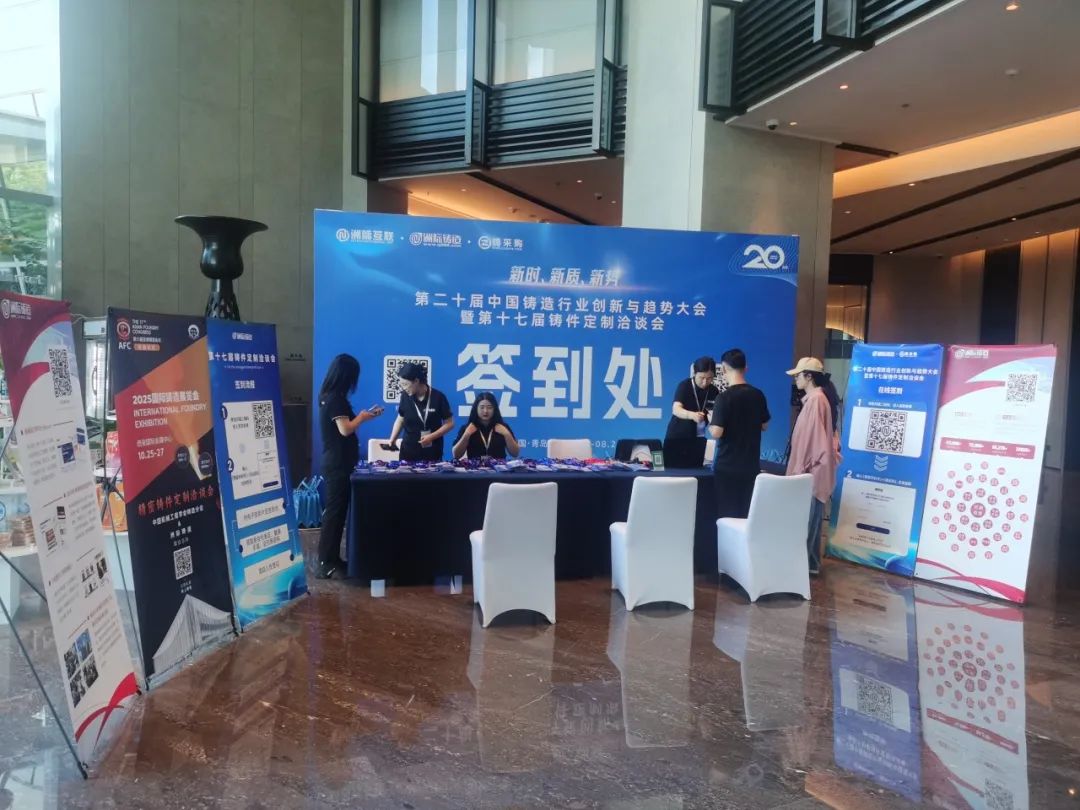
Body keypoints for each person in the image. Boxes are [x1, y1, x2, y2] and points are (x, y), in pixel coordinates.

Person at [316, 354, 384, 579]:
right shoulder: (335, 399)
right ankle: (326, 562)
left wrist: (365, 416)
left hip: (340, 462)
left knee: (338, 512)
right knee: (334, 513)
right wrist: (362, 417)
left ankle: (333, 559)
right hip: (337, 464)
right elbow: (345, 429)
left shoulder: (330, 397)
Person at [786, 357, 842, 576]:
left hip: (810, 475)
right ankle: (809, 565)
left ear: (809, 376)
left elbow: (813, 445)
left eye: (798, 375)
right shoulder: (817, 399)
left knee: (808, 523)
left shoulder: (816, 400)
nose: (796, 379)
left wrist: (799, 473)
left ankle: (802, 569)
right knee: (812, 522)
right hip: (813, 474)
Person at [709, 348, 770, 520]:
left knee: (727, 516)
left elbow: (717, 432)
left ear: (724, 369)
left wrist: (711, 420)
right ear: (746, 368)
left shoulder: (723, 398)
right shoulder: (758, 395)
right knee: (746, 514)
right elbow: (764, 425)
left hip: (727, 467)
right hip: (750, 465)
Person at [387, 362, 454, 462]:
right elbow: (400, 418)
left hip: (432, 453)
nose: (403, 388)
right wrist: (393, 438)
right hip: (408, 452)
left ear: (416, 381)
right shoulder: (405, 396)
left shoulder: (438, 397)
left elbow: (449, 424)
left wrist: (431, 437)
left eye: (405, 384)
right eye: (401, 385)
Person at [452, 393, 520, 460]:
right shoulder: (467, 428)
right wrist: (466, 434)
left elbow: (515, 453)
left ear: (494, 409)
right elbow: (456, 455)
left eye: (489, 407)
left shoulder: (503, 427)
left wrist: (507, 434)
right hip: (474, 466)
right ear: (476, 409)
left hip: (499, 467)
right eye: (482, 407)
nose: (485, 411)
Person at [666, 356, 720, 440]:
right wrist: (692, 415)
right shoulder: (685, 385)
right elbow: (676, 409)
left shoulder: (714, 391)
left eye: (709, 378)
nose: (705, 382)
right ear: (695, 374)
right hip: (677, 436)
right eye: (701, 378)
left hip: (699, 435)